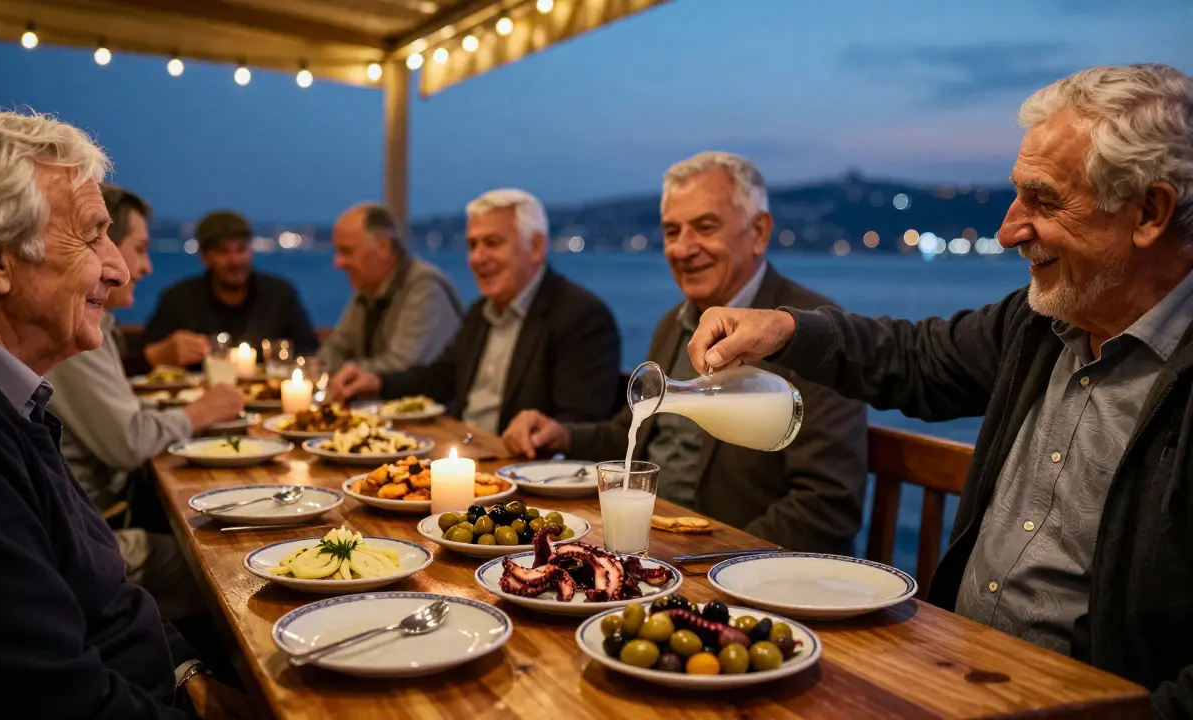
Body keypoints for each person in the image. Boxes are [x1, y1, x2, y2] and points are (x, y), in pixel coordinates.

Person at [686, 64, 1193, 717]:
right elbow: (915, 359)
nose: (1009, 230)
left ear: (1149, 212)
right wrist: (784, 328)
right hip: (951, 669)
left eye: (1042, 201)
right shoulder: (1041, 321)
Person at [0, 109, 249, 716]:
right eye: (94, 235)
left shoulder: (5, 394)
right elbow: (54, 699)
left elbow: (103, 589)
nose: (118, 268)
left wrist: (191, 678)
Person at [502, 153, 868, 553]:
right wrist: (561, 434)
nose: (683, 248)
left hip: (729, 565)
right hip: (655, 546)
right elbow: (631, 433)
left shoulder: (807, 335)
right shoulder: (674, 324)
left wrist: (717, 560)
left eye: (706, 227)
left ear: (759, 232)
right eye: (672, 231)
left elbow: (829, 504)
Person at [45, 184, 245, 620]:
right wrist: (202, 412)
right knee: (226, 562)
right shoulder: (70, 329)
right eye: (139, 248)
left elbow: (128, 420)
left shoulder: (88, 326)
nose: (142, 267)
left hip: (93, 522)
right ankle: (197, 679)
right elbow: (128, 441)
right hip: (93, 533)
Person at [329, 189, 621, 433]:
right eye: (472, 245)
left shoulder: (582, 316)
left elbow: (578, 427)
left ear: (536, 247)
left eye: (493, 243)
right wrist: (377, 382)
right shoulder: (480, 312)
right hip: (467, 452)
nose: (477, 258)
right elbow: (439, 378)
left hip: (520, 476)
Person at [142, 209, 319, 359]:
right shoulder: (178, 299)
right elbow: (146, 354)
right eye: (223, 251)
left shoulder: (280, 295)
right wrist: (167, 352)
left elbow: (310, 351)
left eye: (241, 249)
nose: (235, 260)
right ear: (204, 257)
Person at [318, 202, 462, 374]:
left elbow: (403, 367)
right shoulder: (368, 288)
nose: (338, 263)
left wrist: (343, 373)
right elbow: (334, 350)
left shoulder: (426, 287)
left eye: (347, 251)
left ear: (384, 247)